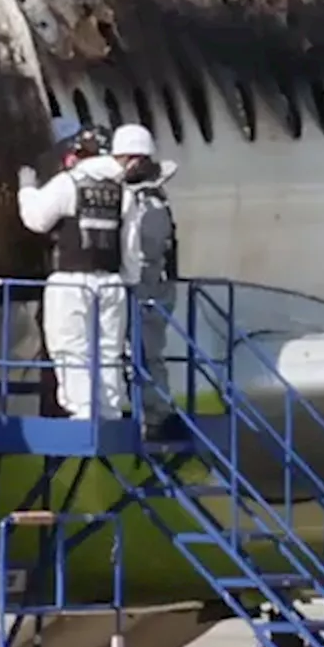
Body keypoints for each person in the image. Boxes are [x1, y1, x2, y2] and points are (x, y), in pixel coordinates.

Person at [17, 124, 129, 420]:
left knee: (71, 347)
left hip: (71, 281)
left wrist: (27, 189)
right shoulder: (123, 189)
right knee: (108, 350)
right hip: (112, 283)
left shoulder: (70, 183)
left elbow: (36, 219)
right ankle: (109, 409)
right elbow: (131, 240)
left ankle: (83, 411)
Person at [112, 123, 179, 438]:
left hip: (148, 286)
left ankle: (155, 413)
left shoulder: (147, 202)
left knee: (145, 350)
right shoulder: (153, 197)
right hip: (152, 284)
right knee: (142, 350)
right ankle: (152, 409)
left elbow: (147, 249)